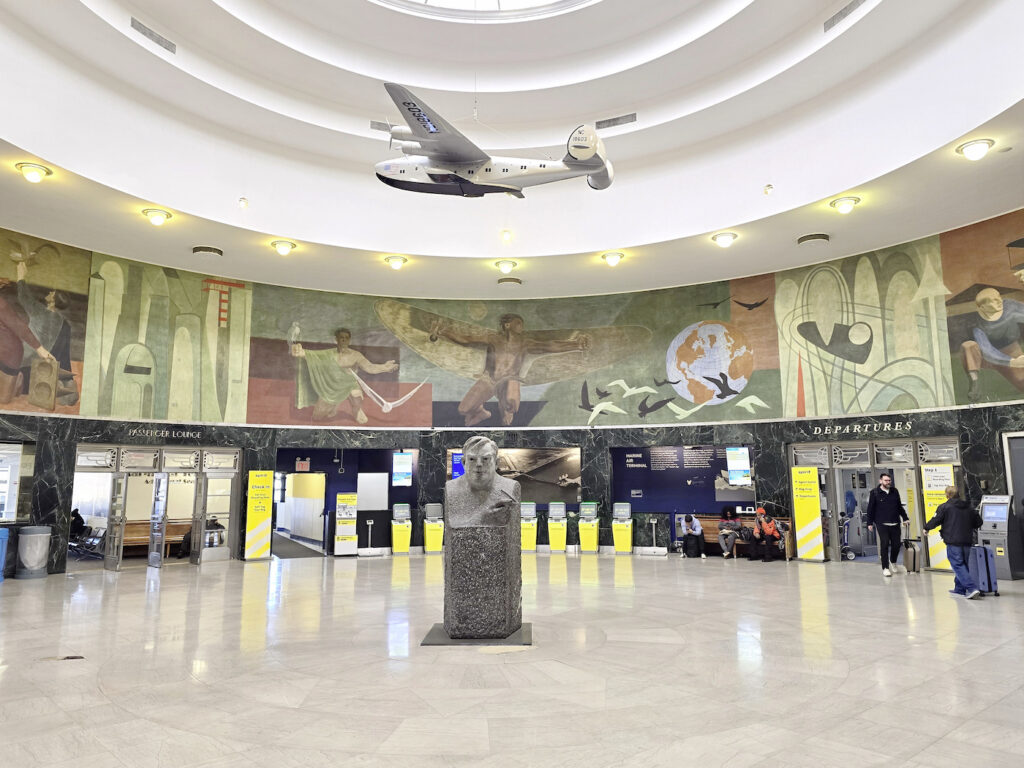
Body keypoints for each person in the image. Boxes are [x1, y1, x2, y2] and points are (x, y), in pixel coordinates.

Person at [431, 313, 589, 427]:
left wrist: (576, 345)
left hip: (510, 379)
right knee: (463, 409)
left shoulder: (524, 342)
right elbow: (466, 339)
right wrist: (441, 331)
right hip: (490, 379)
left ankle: (505, 407)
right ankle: (481, 411)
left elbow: (549, 346)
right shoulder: (493, 338)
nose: (522, 326)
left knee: (511, 406)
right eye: (518, 323)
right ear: (507, 325)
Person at [292, 328, 398, 423]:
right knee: (317, 417)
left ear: (349, 340)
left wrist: (384, 367)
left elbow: (369, 367)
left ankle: (357, 410)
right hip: (332, 388)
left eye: (346, 338)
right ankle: (334, 405)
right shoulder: (327, 354)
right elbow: (309, 355)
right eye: (341, 337)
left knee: (357, 396)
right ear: (336, 340)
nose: (344, 340)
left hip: (350, 385)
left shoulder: (355, 355)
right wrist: (298, 350)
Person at [961, 287, 1024, 401]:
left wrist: (1016, 360)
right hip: (987, 357)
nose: (999, 301)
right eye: (993, 300)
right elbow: (988, 351)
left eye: (998, 297)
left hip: (1011, 350)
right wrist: (1012, 362)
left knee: (1022, 383)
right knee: (968, 346)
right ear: (982, 307)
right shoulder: (977, 323)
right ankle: (974, 382)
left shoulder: (1010, 306)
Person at [444, 436, 520, 528]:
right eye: (472, 459)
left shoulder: (510, 488)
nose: (479, 464)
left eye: (485, 459)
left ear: (496, 463)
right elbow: (454, 531)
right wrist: (483, 518)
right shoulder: (451, 488)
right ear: (464, 462)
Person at [923, 486, 983, 599]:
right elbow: (979, 522)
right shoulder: (969, 507)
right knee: (963, 564)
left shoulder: (944, 507)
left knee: (957, 565)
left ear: (947, 495)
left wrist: (926, 528)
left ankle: (972, 588)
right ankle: (959, 589)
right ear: (958, 494)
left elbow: (936, 520)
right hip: (967, 540)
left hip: (953, 541)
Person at [0, 277, 52, 403]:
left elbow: (20, 326)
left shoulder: (1, 305)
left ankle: (18, 378)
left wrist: (40, 349)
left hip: (9, 353)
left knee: (3, 400)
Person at [865, 472, 909, 577]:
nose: (888, 482)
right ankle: (885, 568)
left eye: (889, 480)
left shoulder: (894, 491)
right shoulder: (874, 492)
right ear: (880, 481)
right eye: (886, 480)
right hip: (882, 523)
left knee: (897, 545)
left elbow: (899, 506)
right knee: (884, 544)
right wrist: (869, 523)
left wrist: (905, 518)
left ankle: (893, 561)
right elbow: (870, 508)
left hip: (895, 522)